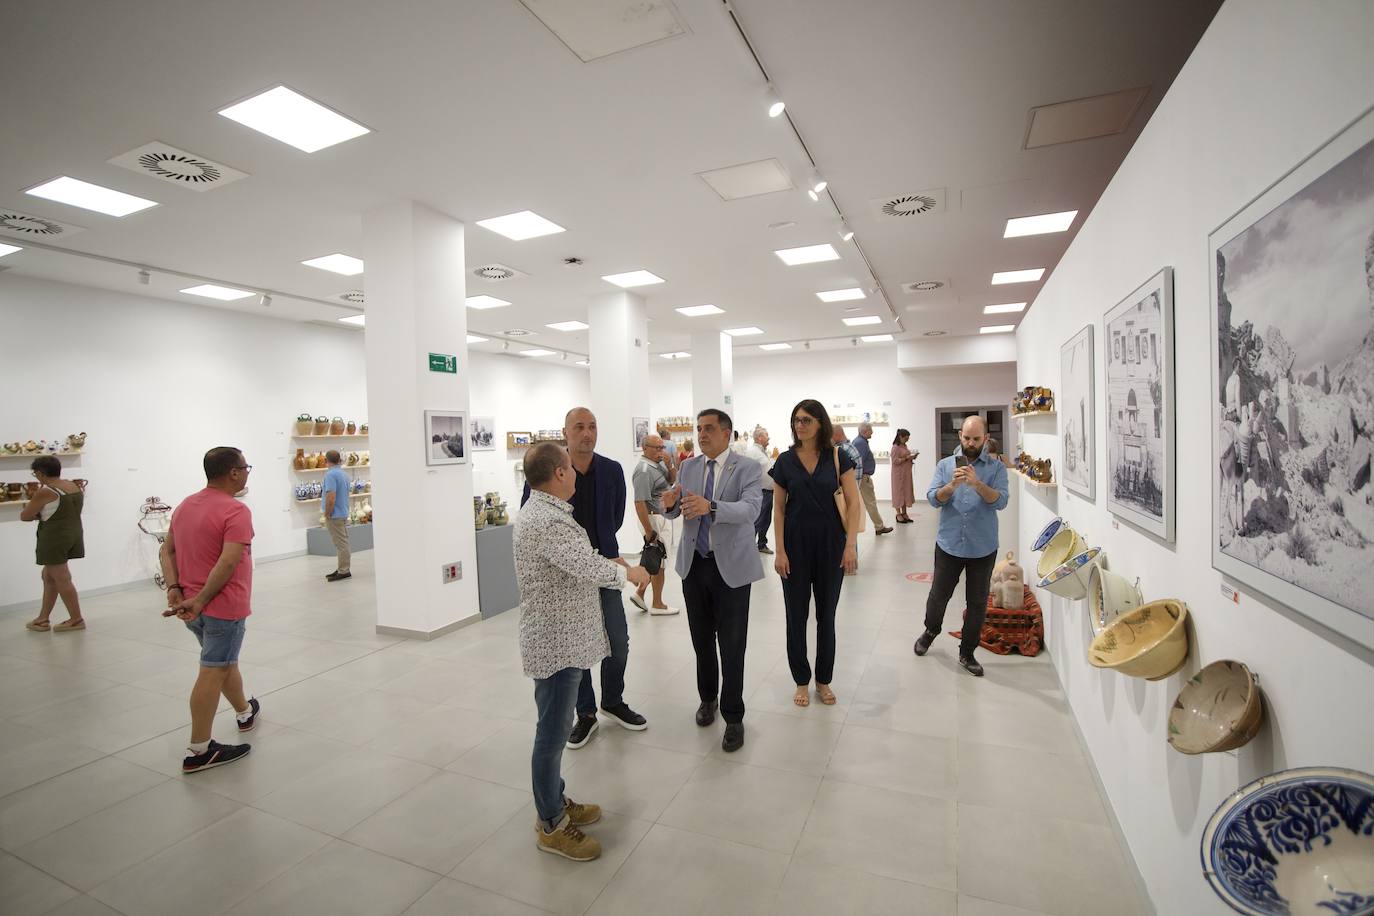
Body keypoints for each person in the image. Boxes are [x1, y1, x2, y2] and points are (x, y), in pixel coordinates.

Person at [514, 442, 650, 861]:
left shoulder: (549, 512)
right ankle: (551, 823)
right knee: (551, 736)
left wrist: (618, 567)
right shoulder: (546, 521)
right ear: (559, 473)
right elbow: (588, 566)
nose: (575, 473)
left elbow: (582, 557)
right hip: (556, 645)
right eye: (570, 468)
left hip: (564, 640)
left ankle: (554, 800)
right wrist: (630, 573)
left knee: (552, 731)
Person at [521, 407, 647, 749]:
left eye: (592, 426)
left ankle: (613, 701)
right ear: (566, 432)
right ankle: (586, 713)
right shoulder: (550, 471)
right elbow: (534, 511)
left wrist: (603, 554)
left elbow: (616, 518)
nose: (587, 433)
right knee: (576, 647)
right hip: (566, 577)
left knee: (617, 640)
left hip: (604, 567)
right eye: (579, 427)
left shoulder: (611, 470)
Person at [662, 409, 763, 752]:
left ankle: (734, 716)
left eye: (708, 429)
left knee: (732, 645)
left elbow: (751, 509)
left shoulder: (747, 468)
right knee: (701, 640)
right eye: (699, 429)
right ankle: (708, 699)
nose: (701, 434)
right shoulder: (689, 466)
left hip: (731, 568)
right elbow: (679, 508)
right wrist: (670, 505)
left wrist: (713, 507)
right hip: (695, 565)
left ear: (726, 433)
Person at [158, 447, 260, 773]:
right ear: (233, 472)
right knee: (213, 669)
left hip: (192, 606)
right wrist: (201, 599)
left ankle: (244, 712)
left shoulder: (186, 505)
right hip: (221, 606)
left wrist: (174, 588)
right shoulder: (235, 511)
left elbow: (167, 551)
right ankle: (199, 750)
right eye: (246, 467)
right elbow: (228, 562)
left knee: (224, 662)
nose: (247, 473)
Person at [771, 400, 860, 707]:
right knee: (795, 617)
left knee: (827, 616)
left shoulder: (838, 456)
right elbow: (778, 509)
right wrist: (779, 550)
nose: (800, 425)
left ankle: (823, 680)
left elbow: (853, 503)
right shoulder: (784, 461)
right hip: (794, 548)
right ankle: (801, 680)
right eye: (796, 419)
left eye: (807, 420)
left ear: (821, 423)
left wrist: (850, 545)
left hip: (830, 547)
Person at [913, 417, 1010, 677]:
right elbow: (933, 499)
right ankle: (931, 630)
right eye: (967, 438)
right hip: (949, 544)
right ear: (959, 435)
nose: (971, 443)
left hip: (983, 547)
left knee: (977, 603)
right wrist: (952, 485)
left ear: (985, 439)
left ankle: (967, 652)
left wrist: (977, 484)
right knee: (938, 595)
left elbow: (1001, 501)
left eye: (976, 439)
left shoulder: (997, 468)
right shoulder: (945, 465)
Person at [20, 456, 85, 632]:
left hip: (54, 538)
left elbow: (25, 516)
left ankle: (76, 619)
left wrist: (36, 513)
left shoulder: (46, 491)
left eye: (35, 473)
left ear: (41, 473)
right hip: (73, 534)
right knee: (48, 576)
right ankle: (42, 619)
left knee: (62, 578)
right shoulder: (73, 486)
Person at [629, 434, 679, 615]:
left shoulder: (657, 465)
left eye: (662, 447)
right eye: (657, 448)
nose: (661, 451)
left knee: (657, 560)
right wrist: (649, 531)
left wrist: (670, 463)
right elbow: (639, 502)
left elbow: (671, 480)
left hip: (661, 517)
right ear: (645, 448)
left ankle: (641, 593)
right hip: (653, 518)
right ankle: (657, 603)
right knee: (658, 562)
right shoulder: (643, 470)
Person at [852, 422, 893, 534]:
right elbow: (858, 462)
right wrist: (860, 479)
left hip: (863, 477)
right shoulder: (860, 443)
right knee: (870, 503)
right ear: (864, 431)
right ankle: (879, 527)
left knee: (869, 503)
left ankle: (878, 526)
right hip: (863, 478)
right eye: (870, 430)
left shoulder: (860, 442)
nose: (872, 432)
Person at [741, 426, 776, 554]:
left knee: (765, 520)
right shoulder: (753, 452)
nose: (769, 438)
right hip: (760, 491)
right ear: (760, 438)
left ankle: (761, 544)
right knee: (757, 519)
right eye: (766, 435)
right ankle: (748, 546)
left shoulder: (762, 452)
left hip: (767, 491)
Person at [321, 450, 351, 581]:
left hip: (335, 514)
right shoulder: (344, 474)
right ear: (339, 460)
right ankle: (342, 568)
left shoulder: (330, 475)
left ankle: (344, 570)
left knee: (341, 544)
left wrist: (327, 513)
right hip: (343, 512)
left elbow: (331, 497)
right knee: (343, 542)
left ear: (326, 460)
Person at [890, 428, 917, 523]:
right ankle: (898, 514)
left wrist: (912, 457)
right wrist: (906, 458)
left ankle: (904, 513)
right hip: (898, 475)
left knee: (906, 492)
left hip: (906, 474)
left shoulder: (904, 446)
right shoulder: (895, 447)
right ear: (900, 437)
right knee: (898, 493)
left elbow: (906, 456)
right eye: (906, 438)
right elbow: (895, 461)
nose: (907, 440)